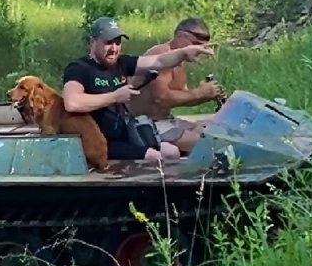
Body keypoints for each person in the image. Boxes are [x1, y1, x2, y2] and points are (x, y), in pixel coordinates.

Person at [62, 16, 215, 161]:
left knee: (172, 152)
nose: (114, 48)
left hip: (125, 131)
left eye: (118, 42)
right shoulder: (80, 68)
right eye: (108, 42)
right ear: (93, 42)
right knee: (156, 157)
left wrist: (184, 53)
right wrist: (114, 97)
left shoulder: (122, 63)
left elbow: (159, 61)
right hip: (100, 139)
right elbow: (72, 102)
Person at [126, 17, 225, 154]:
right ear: (180, 36)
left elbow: (182, 96)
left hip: (167, 120)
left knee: (210, 133)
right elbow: (161, 98)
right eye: (195, 44)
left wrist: (208, 94)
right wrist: (199, 93)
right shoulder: (162, 55)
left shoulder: (180, 61)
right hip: (146, 123)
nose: (199, 50)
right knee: (206, 144)